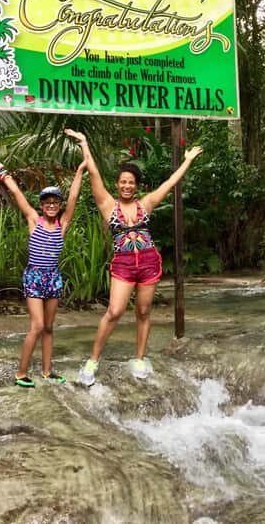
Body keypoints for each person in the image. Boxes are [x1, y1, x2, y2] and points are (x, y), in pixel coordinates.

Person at [64, 128, 203, 385]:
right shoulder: (107, 204)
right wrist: (84, 143)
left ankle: (139, 358)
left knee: (143, 311)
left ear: (136, 186)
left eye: (131, 182)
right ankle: (92, 361)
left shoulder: (146, 204)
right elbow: (93, 172)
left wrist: (187, 160)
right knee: (115, 311)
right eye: (123, 181)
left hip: (149, 263)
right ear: (117, 184)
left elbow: (170, 183)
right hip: (124, 265)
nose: (127, 185)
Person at [0, 151, 87, 388]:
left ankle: (47, 371)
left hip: (53, 278)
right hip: (34, 276)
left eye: (55, 202)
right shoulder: (33, 219)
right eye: (47, 202)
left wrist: (80, 172)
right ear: (42, 205)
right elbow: (16, 192)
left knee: (49, 327)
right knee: (38, 326)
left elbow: (73, 196)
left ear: (59, 206)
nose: (52, 205)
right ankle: (21, 373)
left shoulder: (63, 224)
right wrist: (0, 167)